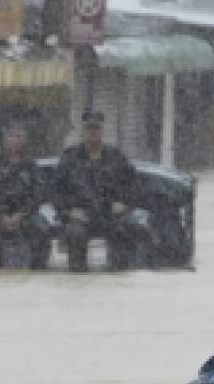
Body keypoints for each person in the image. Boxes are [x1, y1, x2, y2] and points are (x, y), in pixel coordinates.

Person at [54, 111, 148, 272]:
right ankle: (79, 278)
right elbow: (55, 190)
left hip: (111, 216)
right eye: (89, 129)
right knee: (75, 234)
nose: (93, 133)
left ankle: (118, 275)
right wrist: (69, 211)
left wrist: (124, 204)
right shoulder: (69, 157)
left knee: (124, 229)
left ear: (102, 132)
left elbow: (135, 185)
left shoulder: (116, 156)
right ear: (83, 132)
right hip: (80, 216)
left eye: (96, 129)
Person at [0, 120, 51, 268]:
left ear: (24, 140)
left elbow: (38, 194)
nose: (14, 140)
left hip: (25, 215)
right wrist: (1, 215)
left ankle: (38, 270)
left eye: (19, 136)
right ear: (4, 138)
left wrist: (21, 214)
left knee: (42, 230)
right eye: (11, 136)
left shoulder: (30, 165)